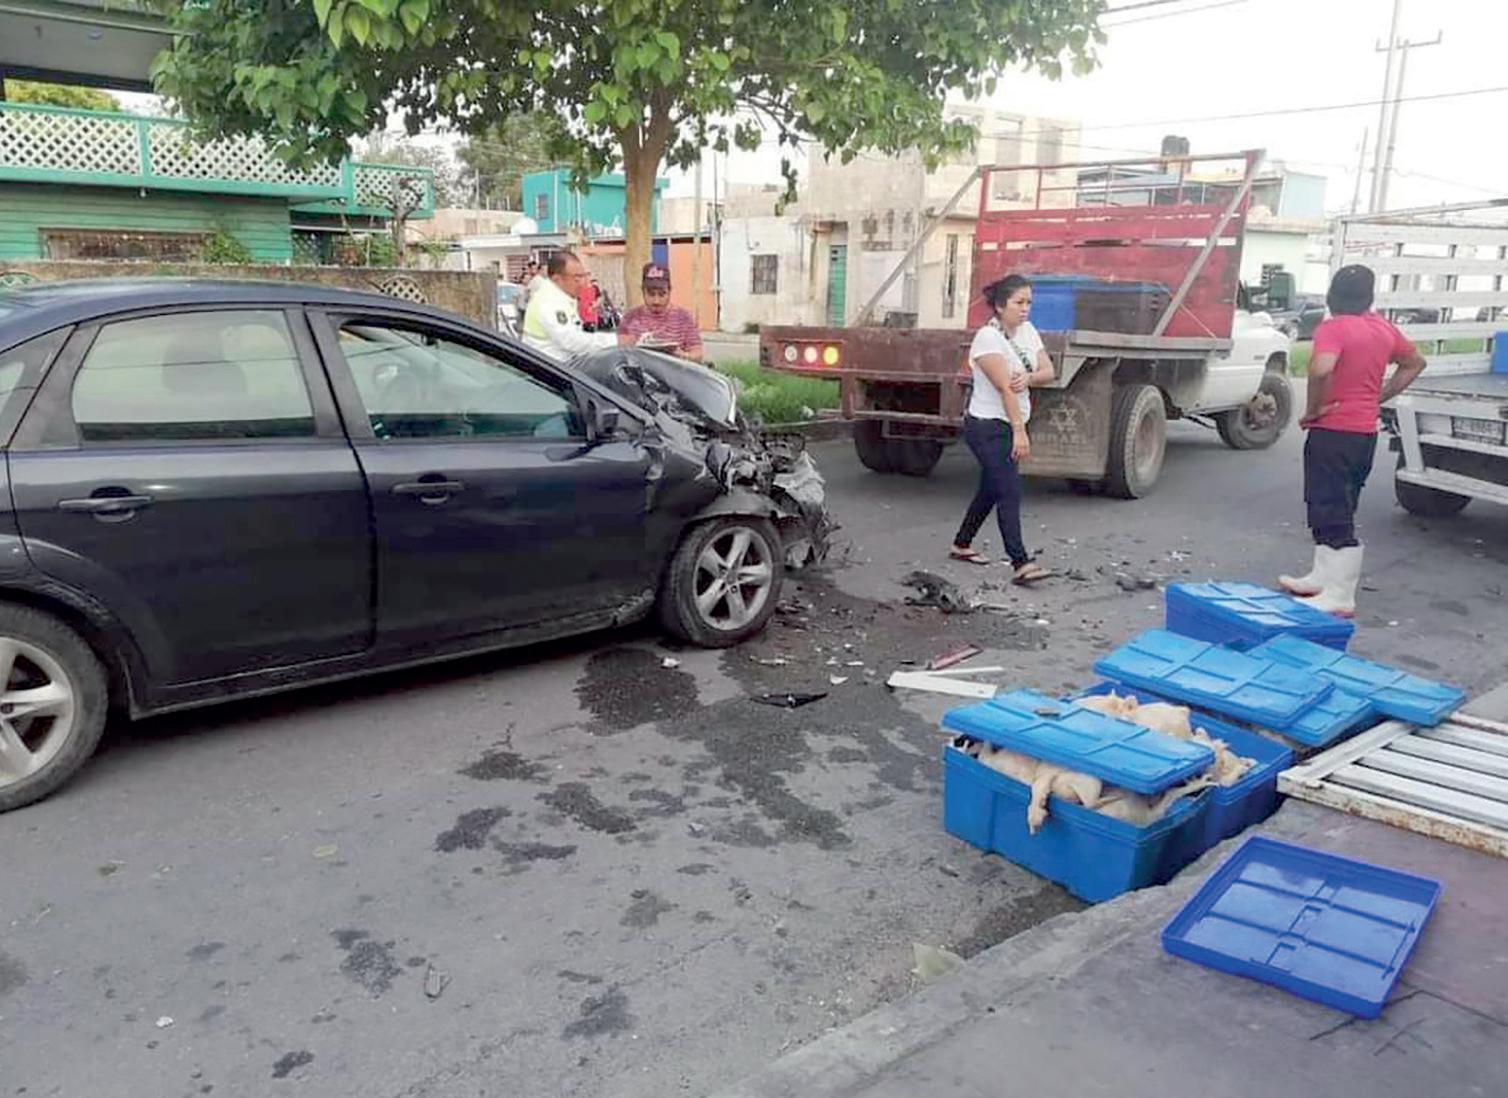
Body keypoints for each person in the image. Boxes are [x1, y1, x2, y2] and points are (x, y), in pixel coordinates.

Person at [1279, 264, 1426, 616]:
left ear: (1332, 297)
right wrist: (1379, 396)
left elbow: (1321, 369)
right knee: (1338, 503)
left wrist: (1314, 409)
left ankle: (1340, 595)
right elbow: (1415, 363)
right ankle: (1322, 576)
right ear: (1369, 297)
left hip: (1334, 431)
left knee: (1330, 507)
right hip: (1363, 434)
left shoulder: (1334, 328)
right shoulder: (1383, 328)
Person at [949, 274, 1055, 584]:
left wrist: (1030, 378)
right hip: (987, 426)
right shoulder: (988, 338)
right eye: (1019, 303)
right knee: (1008, 490)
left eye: (1029, 303)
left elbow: (1048, 371)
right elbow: (1004, 388)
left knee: (991, 488)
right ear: (999, 306)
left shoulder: (1028, 332)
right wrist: (1020, 433)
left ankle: (961, 543)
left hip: (1011, 422)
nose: (1025, 309)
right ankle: (1020, 562)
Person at [521, 251, 628, 361]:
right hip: (550, 364)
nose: (582, 282)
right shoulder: (548, 301)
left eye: (584, 276)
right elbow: (570, 341)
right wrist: (616, 340)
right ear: (557, 279)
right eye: (577, 278)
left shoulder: (563, 297)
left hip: (563, 361)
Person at [617, 263, 704, 361]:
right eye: (651, 294)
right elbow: (621, 352)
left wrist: (681, 355)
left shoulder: (684, 318)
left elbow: (697, 354)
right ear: (643, 291)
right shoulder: (630, 318)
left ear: (669, 291)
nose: (656, 301)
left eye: (662, 294)